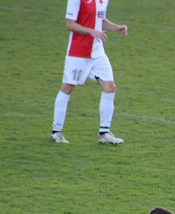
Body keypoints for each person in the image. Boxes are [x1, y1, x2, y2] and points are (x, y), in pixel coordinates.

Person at [51, 0, 127, 144]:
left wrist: (117, 28)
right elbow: (70, 24)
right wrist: (90, 31)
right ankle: (56, 131)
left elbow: (100, 20)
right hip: (78, 53)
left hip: (97, 53)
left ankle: (104, 133)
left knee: (110, 87)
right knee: (68, 88)